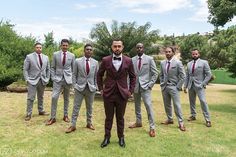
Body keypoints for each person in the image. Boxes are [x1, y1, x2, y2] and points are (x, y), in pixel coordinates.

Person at [97, 39, 136, 148]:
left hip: (122, 94)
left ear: (122, 47)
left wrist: (130, 91)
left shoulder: (128, 61)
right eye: (115, 46)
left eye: (119, 46)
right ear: (112, 47)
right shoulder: (105, 60)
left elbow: (133, 77)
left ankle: (121, 137)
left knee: (120, 118)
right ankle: (106, 138)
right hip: (108, 93)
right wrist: (100, 88)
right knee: (108, 118)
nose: (117, 48)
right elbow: (99, 75)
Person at [65, 44, 99, 133]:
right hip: (79, 88)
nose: (89, 51)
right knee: (76, 107)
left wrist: (96, 86)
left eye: (90, 49)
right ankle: (73, 125)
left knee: (90, 107)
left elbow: (96, 76)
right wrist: (74, 85)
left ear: (92, 51)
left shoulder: (95, 62)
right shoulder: (77, 61)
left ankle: (89, 123)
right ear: (84, 51)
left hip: (91, 88)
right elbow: (74, 74)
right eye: (87, 49)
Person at [129, 43, 158, 137]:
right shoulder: (132, 60)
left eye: (141, 47)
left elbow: (155, 73)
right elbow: (130, 74)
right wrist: (130, 87)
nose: (139, 49)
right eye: (137, 48)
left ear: (143, 48)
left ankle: (152, 127)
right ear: (136, 49)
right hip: (136, 87)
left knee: (148, 107)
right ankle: (138, 122)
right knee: (137, 106)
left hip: (146, 87)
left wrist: (150, 85)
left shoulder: (149, 59)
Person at [46, 39, 75, 125]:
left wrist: (73, 81)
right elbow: (52, 67)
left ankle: (65, 115)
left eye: (66, 45)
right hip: (57, 79)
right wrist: (53, 78)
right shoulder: (55, 54)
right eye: (63, 45)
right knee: (54, 97)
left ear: (68, 46)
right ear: (61, 45)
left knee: (66, 98)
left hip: (68, 80)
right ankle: (53, 117)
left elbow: (74, 69)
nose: (65, 47)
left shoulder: (72, 55)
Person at [160, 46, 186, 131]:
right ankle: (170, 119)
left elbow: (183, 76)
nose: (167, 53)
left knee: (177, 105)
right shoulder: (162, 63)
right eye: (166, 52)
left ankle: (181, 122)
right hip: (165, 87)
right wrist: (162, 83)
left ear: (173, 53)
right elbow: (161, 75)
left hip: (174, 87)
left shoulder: (178, 63)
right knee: (167, 105)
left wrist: (178, 87)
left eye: (169, 52)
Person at [184, 49, 212, 127]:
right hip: (190, 86)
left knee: (203, 101)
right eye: (193, 54)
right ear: (191, 55)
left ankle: (208, 119)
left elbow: (209, 75)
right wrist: (185, 86)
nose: (194, 55)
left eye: (196, 54)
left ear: (198, 54)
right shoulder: (189, 64)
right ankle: (193, 115)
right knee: (192, 102)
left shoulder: (204, 62)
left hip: (200, 86)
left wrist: (203, 84)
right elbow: (187, 76)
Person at [23, 42, 50, 121]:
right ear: (35, 48)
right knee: (31, 98)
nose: (39, 49)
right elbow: (25, 69)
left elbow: (48, 69)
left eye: (40, 47)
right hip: (32, 80)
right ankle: (28, 114)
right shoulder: (29, 57)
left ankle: (41, 111)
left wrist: (47, 78)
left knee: (41, 97)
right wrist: (27, 79)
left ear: (42, 48)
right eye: (37, 47)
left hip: (42, 80)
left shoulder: (46, 57)